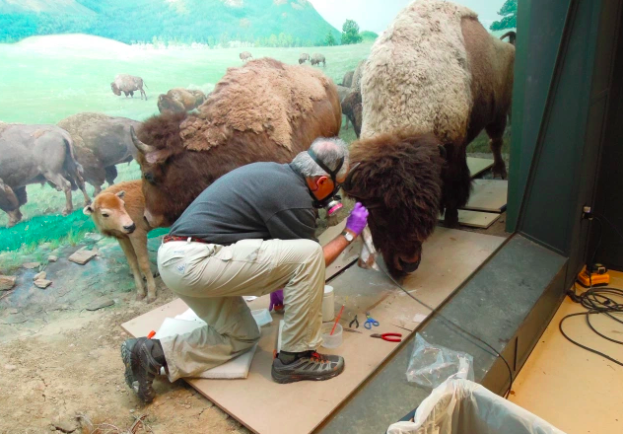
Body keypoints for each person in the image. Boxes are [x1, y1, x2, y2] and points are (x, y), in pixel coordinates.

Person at [121, 137, 369, 403]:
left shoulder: (274, 175)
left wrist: (281, 281)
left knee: (242, 336)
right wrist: (349, 234)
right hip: (195, 261)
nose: (335, 195)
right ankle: (295, 358)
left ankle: (150, 354)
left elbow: (269, 243)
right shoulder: (295, 197)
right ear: (321, 182)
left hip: (178, 260)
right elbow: (313, 261)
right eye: (336, 187)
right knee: (308, 254)